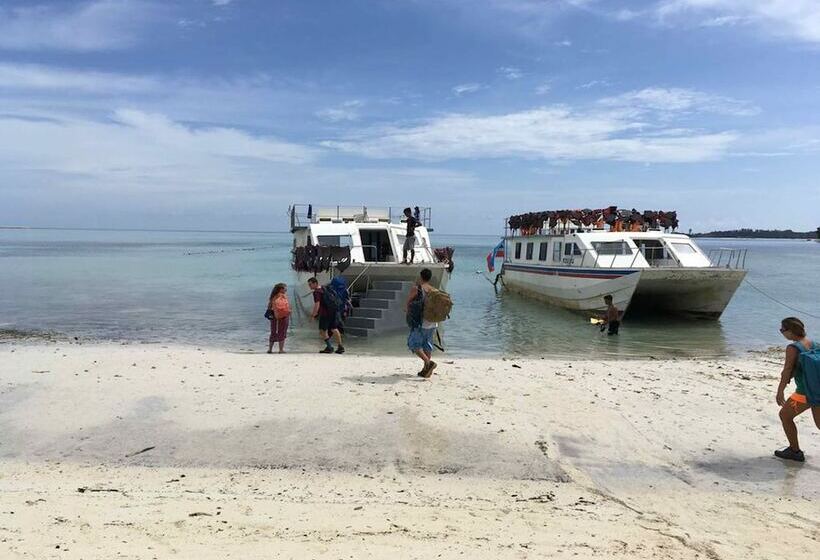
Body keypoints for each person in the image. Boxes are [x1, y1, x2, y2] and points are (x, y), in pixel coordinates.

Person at [774, 317, 819, 462]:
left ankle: (795, 451)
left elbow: (787, 370)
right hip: (818, 389)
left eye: (782, 330)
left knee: (785, 416)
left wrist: (780, 390)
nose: (782, 333)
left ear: (790, 331)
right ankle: (794, 451)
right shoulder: (814, 343)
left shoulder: (793, 348)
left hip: (805, 392)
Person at [405, 268, 437, 378]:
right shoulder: (433, 289)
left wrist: (408, 313)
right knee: (427, 345)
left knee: (413, 344)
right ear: (429, 277)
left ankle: (428, 362)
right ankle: (426, 371)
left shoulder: (417, 288)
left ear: (421, 276)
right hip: (433, 322)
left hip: (420, 322)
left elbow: (408, 303)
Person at [308, 277, 344, 354]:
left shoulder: (316, 292)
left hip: (325, 314)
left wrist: (313, 315)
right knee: (334, 328)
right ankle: (340, 347)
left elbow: (317, 305)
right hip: (333, 311)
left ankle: (329, 347)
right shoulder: (325, 288)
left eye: (310, 284)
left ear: (315, 283)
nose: (309, 286)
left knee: (322, 331)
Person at [267, 283, 290, 354]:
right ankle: (281, 350)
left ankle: (270, 349)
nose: (286, 290)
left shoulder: (273, 297)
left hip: (274, 315)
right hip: (283, 316)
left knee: (273, 331)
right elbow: (287, 306)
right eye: (285, 288)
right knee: (282, 332)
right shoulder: (283, 296)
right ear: (281, 289)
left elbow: (269, 307)